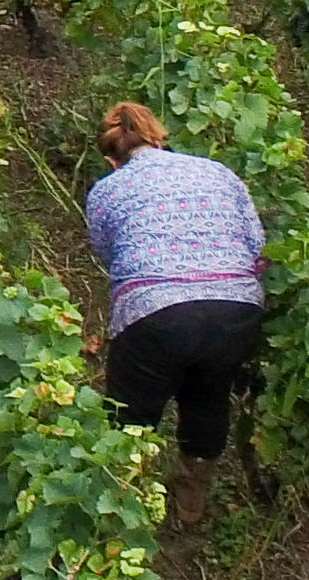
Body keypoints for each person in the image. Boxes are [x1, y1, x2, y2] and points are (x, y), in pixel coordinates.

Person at [81, 100, 267, 528]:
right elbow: (258, 251)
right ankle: (190, 505)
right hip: (235, 308)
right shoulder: (218, 172)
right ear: (159, 138)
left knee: (131, 414)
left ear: (112, 160)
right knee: (208, 397)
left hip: (156, 313)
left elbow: (108, 254)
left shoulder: (108, 190)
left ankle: (123, 512)